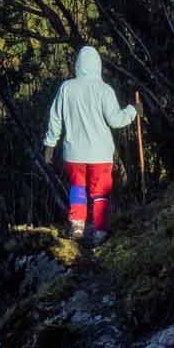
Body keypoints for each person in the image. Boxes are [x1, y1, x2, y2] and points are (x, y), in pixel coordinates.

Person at [42, 45, 139, 244]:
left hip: (73, 153)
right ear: (98, 65)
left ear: (77, 65)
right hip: (100, 154)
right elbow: (116, 121)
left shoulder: (66, 88)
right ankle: (100, 231)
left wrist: (50, 145)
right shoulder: (104, 90)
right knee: (100, 193)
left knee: (77, 187)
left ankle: (77, 226)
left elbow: (55, 119)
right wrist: (133, 109)